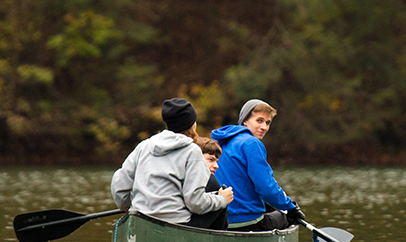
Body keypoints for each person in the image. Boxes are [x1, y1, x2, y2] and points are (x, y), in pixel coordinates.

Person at [111, 98, 234, 229]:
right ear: (192, 124)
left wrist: (127, 207)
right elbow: (195, 202)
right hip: (176, 225)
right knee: (221, 202)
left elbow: (119, 187)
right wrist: (221, 199)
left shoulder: (144, 146)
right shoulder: (192, 151)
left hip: (140, 221)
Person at [210, 99, 305, 231]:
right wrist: (291, 207)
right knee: (287, 217)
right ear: (245, 121)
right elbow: (266, 187)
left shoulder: (219, 142)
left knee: (273, 208)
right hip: (247, 222)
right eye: (259, 121)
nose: (264, 127)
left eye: (267, 122)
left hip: (219, 221)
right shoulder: (252, 143)